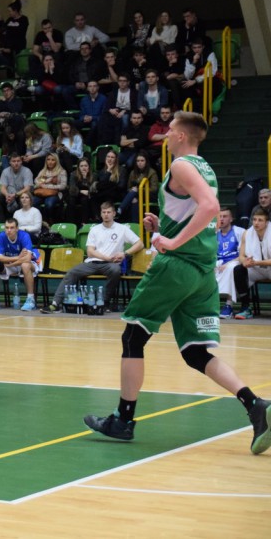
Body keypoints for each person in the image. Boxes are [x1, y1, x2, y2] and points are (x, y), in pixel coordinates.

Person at [83, 111, 271, 456]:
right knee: (195, 352)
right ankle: (256, 405)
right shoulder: (205, 168)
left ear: (183, 136)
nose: (165, 136)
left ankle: (123, 420)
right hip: (201, 272)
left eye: (170, 131)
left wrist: (171, 242)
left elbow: (211, 206)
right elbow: (200, 211)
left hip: (178, 266)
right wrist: (163, 229)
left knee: (133, 337)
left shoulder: (182, 166)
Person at [44, 202, 142, 314]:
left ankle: (105, 303)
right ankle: (55, 304)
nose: (106, 215)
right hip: (92, 262)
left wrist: (125, 254)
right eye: (104, 212)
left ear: (114, 214)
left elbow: (140, 244)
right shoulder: (95, 229)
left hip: (110, 265)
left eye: (109, 212)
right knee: (72, 272)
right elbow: (90, 252)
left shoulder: (122, 229)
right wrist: (106, 257)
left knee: (115, 270)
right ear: (100, 214)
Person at [0, 218, 40, 311]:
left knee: (25, 265)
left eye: (12, 228)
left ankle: (30, 300)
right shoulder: (1, 236)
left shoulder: (24, 236)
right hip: (13, 263)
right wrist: (17, 257)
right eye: (7, 228)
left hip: (30, 263)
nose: (9, 230)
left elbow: (27, 258)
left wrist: (10, 265)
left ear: (17, 228)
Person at [236, 207, 271, 320]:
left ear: (266, 222)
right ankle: (246, 307)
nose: (256, 223)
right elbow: (241, 256)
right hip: (256, 268)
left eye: (260, 220)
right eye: (254, 219)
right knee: (238, 269)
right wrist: (245, 262)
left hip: (268, 268)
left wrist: (257, 262)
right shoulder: (247, 233)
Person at [214, 206, 247, 319]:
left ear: (231, 219)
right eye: (220, 216)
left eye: (225, 216)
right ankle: (210, 305)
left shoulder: (240, 232)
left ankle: (229, 305)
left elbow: (243, 254)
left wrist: (227, 264)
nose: (222, 219)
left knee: (231, 269)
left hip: (235, 261)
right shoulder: (214, 233)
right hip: (218, 262)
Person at [119, 152, 158, 222]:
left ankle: (121, 208)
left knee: (134, 192)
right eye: (138, 161)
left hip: (149, 195)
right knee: (134, 200)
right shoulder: (133, 172)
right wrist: (134, 192)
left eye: (142, 161)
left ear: (146, 162)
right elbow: (128, 188)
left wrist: (140, 190)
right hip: (136, 196)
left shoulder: (152, 172)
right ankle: (136, 225)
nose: (140, 163)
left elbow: (154, 189)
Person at [32, 152, 67, 222]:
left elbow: (63, 186)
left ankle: (51, 220)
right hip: (42, 193)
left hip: (54, 193)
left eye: (52, 160)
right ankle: (40, 219)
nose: (50, 162)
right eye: (48, 159)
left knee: (49, 204)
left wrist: (46, 185)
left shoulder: (62, 171)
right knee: (32, 202)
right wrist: (45, 182)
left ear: (56, 161)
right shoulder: (43, 171)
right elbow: (36, 180)